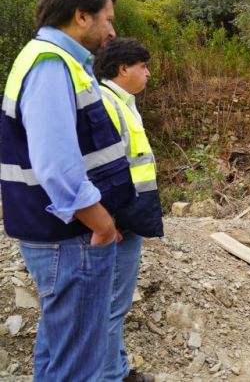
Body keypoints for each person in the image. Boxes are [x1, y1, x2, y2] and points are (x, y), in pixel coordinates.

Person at [0, 0, 135, 381]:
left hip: (64, 234)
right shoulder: (51, 65)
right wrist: (100, 222)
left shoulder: (51, 61)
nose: (112, 30)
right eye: (107, 19)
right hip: (69, 236)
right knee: (78, 360)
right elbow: (55, 161)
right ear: (81, 17)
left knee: (64, 351)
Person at [95, 38, 164, 382]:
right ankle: (111, 376)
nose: (148, 73)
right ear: (123, 68)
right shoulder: (107, 104)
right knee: (112, 305)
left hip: (125, 217)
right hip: (116, 223)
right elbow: (97, 167)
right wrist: (106, 219)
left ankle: (116, 370)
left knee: (114, 304)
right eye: (143, 66)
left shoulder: (122, 102)